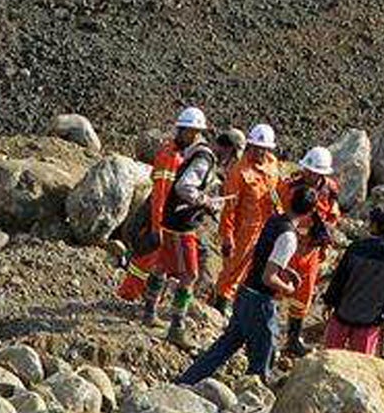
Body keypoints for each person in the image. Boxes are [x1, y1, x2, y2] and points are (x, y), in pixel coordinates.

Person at [179, 185, 318, 385]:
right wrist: (288, 289)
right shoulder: (289, 237)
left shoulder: (274, 221)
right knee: (262, 359)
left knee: (224, 346)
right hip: (260, 302)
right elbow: (268, 277)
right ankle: (256, 401)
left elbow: (263, 254)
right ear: (310, 213)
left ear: (290, 200)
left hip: (245, 293)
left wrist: (284, 270)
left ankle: (187, 380)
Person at [155, 126, 241, 344]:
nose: (230, 161)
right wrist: (204, 201)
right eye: (233, 155)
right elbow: (185, 187)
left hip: (171, 218)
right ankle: (177, 327)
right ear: (228, 149)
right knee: (190, 275)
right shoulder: (205, 160)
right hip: (181, 225)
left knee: (163, 266)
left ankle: (149, 311)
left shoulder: (200, 153)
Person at [118, 107, 209, 312]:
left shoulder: (178, 153)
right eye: (190, 132)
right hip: (160, 214)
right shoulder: (171, 156)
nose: (193, 137)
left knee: (158, 262)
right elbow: (161, 193)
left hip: (164, 214)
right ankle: (130, 296)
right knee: (150, 258)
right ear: (181, 130)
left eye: (196, 133)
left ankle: (141, 299)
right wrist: (157, 226)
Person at [279, 147, 342, 357]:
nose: (311, 175)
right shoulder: (290, 186)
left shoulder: (330, 190)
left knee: (303, 296)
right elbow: (277, 211)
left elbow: (333, 216)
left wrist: (325, 236)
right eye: (309, 170)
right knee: (275, 288)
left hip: (311, 250)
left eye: (316, 172)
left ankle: (293, 338)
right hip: (289, 245)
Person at [321, 206, 384, 356]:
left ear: (373, 225)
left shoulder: (356, 248)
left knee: (330, 357)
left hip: (343, 314)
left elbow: (339, 279)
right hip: (369, 323)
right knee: (361, 366)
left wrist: (329, 302)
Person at [215, 124, 284, 308]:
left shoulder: (272, 164)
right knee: (232, 269)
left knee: (254, 270)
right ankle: (219, 304)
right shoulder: (239, 172)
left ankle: (239, 305)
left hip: (265, 226)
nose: (261, 153)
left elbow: (278, 190)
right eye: (257, 148)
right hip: (243, 230)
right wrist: (227, 237)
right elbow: (229, 208)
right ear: (250, 147)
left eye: (264, 149)